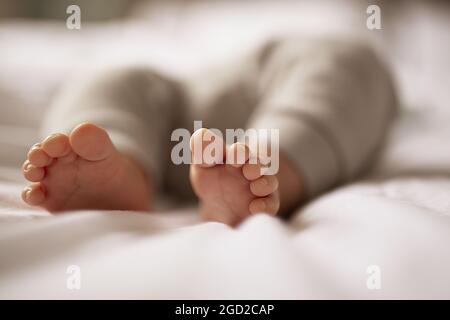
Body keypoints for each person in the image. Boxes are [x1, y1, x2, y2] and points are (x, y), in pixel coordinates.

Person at [20, 36, 397, 225]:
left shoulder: (307, 48)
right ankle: (120, 166)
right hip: (168, 119)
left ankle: (268, 171)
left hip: (271, 116)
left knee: (346, 59)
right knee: (110, 79)